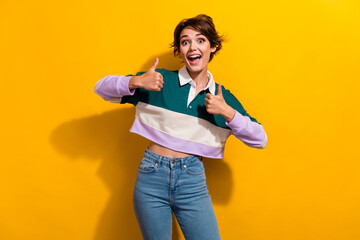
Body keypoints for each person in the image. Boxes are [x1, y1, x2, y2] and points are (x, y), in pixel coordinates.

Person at [94, 14, 267, 240]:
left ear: (213, 47)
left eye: (200, 40)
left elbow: (260, 139)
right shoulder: (158, 81)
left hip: (191, 180)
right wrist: (135, 82)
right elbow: (101, 88)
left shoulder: (221, 98)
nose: (192, 47)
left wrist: (228, 112)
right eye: (185, 42)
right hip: (151, 177)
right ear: (179, 51)